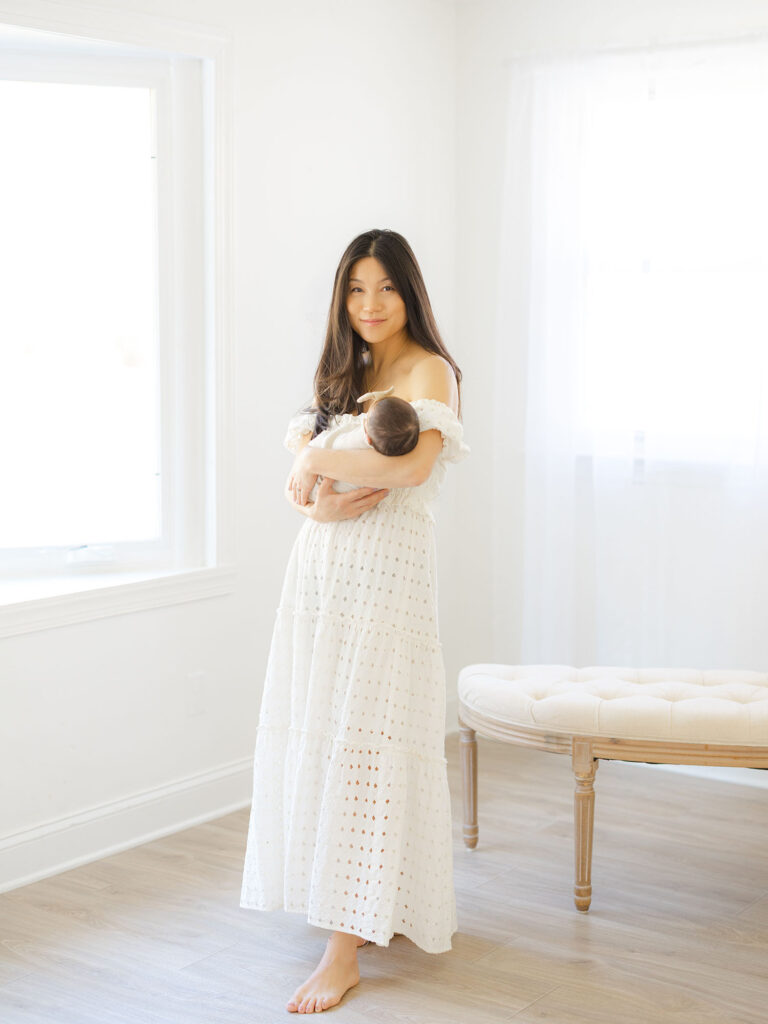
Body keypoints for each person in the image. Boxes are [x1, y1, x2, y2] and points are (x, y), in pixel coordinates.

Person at [239, 228, 470, 1014]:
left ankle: (341, 953)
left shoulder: (430, 368)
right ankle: (363, 907)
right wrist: (314, 495)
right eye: (356, 289)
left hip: (389, 576)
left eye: (387, 287)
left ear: (410, 293)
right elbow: (303, 492)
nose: (371, 304)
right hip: (323, 573)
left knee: (369, 740)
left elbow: (412, 465)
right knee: (327, 729)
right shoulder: (347, 372)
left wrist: (313, 461)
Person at [305, 385, 421, 502]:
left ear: (368, 439)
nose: (363, 419)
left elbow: (325, 442)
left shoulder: (354, 439)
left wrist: (308, 456)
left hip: (319, 489)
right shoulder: (389, 456)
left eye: (366, 419)